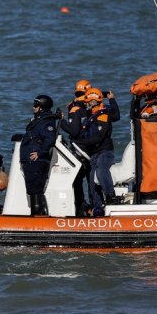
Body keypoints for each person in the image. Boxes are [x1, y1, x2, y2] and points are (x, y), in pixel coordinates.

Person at [75, 88, 117, 217]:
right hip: (93, 154)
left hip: (105, 152)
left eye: (87, 101)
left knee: (100, 170)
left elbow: (99, 137)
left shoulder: (103, 115)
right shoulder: (90, 115)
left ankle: (111, 198)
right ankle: (98, 207)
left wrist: (81, 141)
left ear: (93, 101)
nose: (85, 103)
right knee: (92, 179)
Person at [20, 95, 58, 216]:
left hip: (35, 160)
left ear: (42, 108)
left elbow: (50, 138)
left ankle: (36, 217)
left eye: (36, 105)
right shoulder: (39, 120)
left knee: (35, 189)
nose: (33, 107)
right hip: (32, 160)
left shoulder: (46, 122)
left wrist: (40, 153)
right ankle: (40, 214)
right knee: (35, 189)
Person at [62, 81, 92, 216]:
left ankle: (79, 208)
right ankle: (94, 206)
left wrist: (61, 121)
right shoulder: (89, 107)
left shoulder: (74, 109)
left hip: (79, 150)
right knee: (92, 180)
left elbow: (74, 132)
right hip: (90, 148)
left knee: (77, 181)